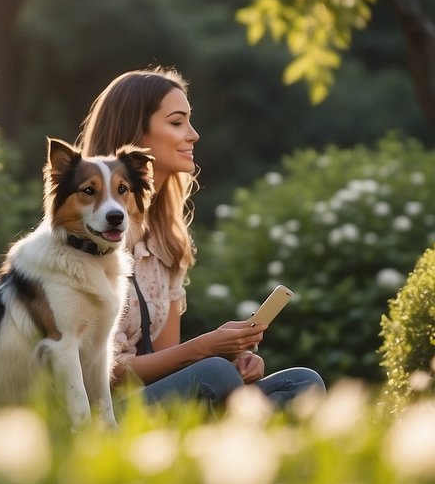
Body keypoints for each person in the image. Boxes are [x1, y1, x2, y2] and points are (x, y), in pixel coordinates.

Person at [77, 67, 326, 411]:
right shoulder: (89, 236)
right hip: (103, 411)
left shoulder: (166, 241)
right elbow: (104, 372)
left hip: (156, 399)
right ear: (138, 134)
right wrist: (207, 350)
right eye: (177, 122)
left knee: (303, 382)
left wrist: (232, 356)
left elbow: (165, 361)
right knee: (215, 373)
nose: (193, 135)